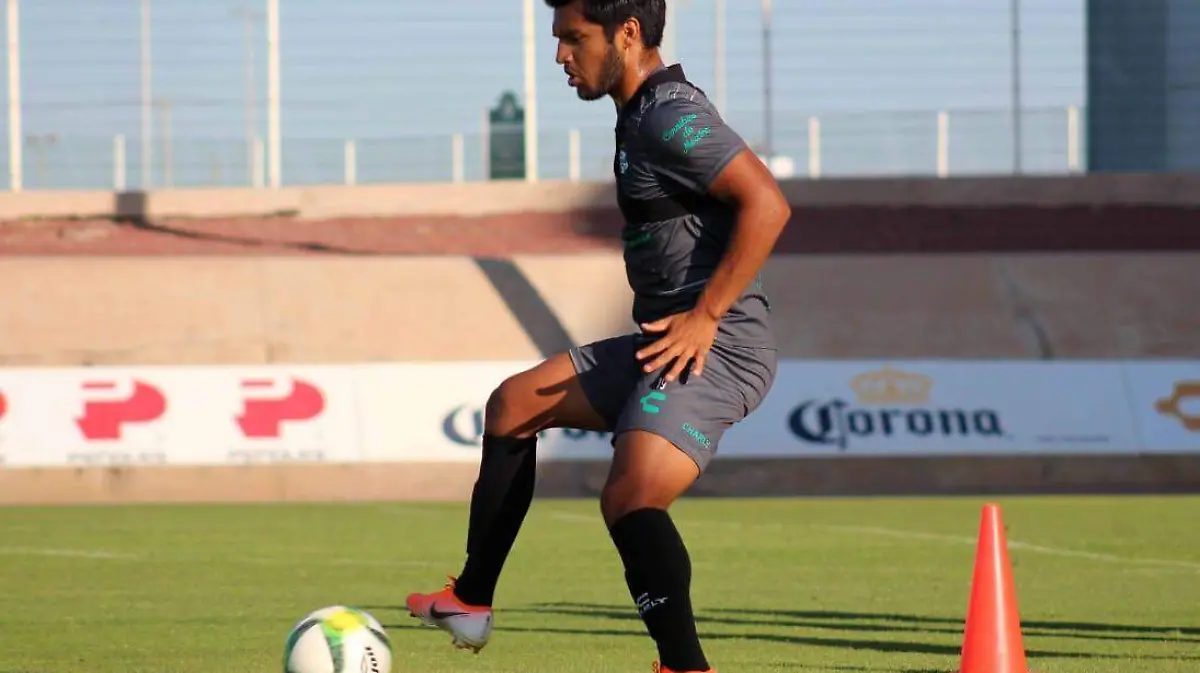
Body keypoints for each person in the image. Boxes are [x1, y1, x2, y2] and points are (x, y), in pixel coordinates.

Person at [405, 1, 791, 671]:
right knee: (514, 404)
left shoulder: (670, 113)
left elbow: (768, 203)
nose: (561, 56)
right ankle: (471, 600)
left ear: (628, 33)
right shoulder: (638, 114)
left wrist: (705, 315)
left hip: (717, 346)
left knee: (629, 497)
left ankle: (686, 666)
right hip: (660, 342)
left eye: (573, 39)